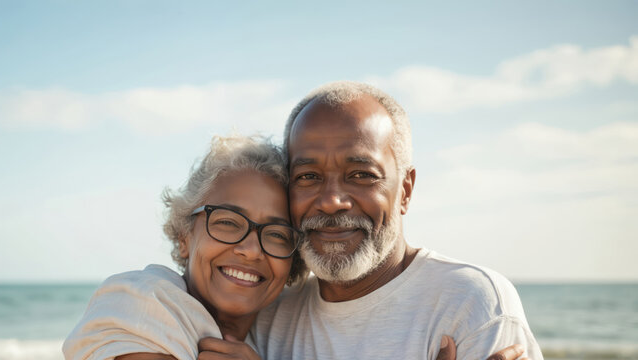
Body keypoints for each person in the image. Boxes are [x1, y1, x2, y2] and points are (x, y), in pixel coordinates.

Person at [200, 81, 543, 359]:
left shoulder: (469, 304)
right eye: (308, 176)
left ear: (405, 190)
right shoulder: (268, 314)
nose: (332, 201)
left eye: (361, 174)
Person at [63, 135, 307, 359]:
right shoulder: (142, 307)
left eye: (277, 234)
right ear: (184, 237)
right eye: (227, 222)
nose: (252, 250)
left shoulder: (287, 337)